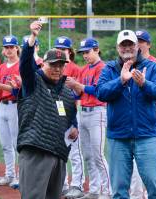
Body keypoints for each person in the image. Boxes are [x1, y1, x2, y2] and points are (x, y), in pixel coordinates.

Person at [95, 30, 156, 199]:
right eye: (123, 45)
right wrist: (121, 80)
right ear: (117, 47)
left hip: (146, 135)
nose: (127, 48)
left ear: (137, 46)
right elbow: (100, 93)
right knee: (119, 191)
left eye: (130, 44)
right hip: (118, 137)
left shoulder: (152, 67)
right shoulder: (110, 68)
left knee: (155, 188)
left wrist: (144, 83)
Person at [17, 21, 78, 199]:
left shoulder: (66, 91)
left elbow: (71, 117)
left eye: (61, 65)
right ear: (43, 64)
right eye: (53, 65)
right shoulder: (33, 81)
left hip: (58, 153)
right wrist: (33, 38)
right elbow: (25, 65)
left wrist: (74, 127)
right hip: (36, 150)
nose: (57, 69)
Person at [66, 38, 111, 199]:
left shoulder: (103, 68)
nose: (85, 55)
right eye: (83, 53)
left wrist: (78, 86)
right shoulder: (84, 70)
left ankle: (107, 191)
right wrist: (72, 88)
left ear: (97, 49)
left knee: (98, 154)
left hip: (98, 112)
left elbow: (98, 90)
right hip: (83, 112)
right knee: (88, 155)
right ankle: (94, 190)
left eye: (87, 51)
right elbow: (78, 93)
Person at [129, 29, 156, 199]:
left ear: (148, 44)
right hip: (132, 113)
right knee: (133, 159)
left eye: (141, 41)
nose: (138, 43)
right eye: (135, 40)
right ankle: (136, 194)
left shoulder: (155, 64)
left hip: (151, 112)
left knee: (148, 158)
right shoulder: (129, 62)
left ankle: (148, 192)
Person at [0, 35, 20, 188]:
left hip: (16, 105)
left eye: (11, 47)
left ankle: (21, 176)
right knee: (6, 144)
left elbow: (19, 91)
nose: (8, 50)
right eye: (6, 47)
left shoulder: (21, 65)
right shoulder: (1, 67)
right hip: (2, 105)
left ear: (17, 48)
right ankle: (9, 174)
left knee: (16, 143)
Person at [54, 36, 85, 199]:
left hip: (71, 111)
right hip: (57, 112)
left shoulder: (75, 69)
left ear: (69, 51)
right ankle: (63, 183)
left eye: (63, 49)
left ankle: (77, 184)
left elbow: (79, 93)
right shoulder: (53, 66)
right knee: (59, 150)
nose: (60, 51)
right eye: (57, 49)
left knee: (74, 151)